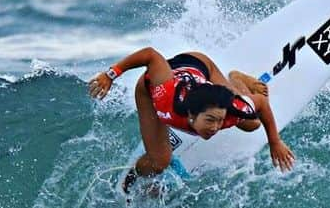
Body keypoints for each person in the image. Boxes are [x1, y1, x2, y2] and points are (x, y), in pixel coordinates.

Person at [88, 48, 295, 189]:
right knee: (159, 161)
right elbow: (151, 55)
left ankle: (237, 78)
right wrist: (110, 75)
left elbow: (260, 102)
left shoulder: (229, 111)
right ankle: (135, 173)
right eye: (210, 120)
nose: (216, 127)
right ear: (190, 116)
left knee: (252, 124)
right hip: (152, 86)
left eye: (220, 120)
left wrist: (274, 142)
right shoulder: (166, 100)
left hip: (201, 66)